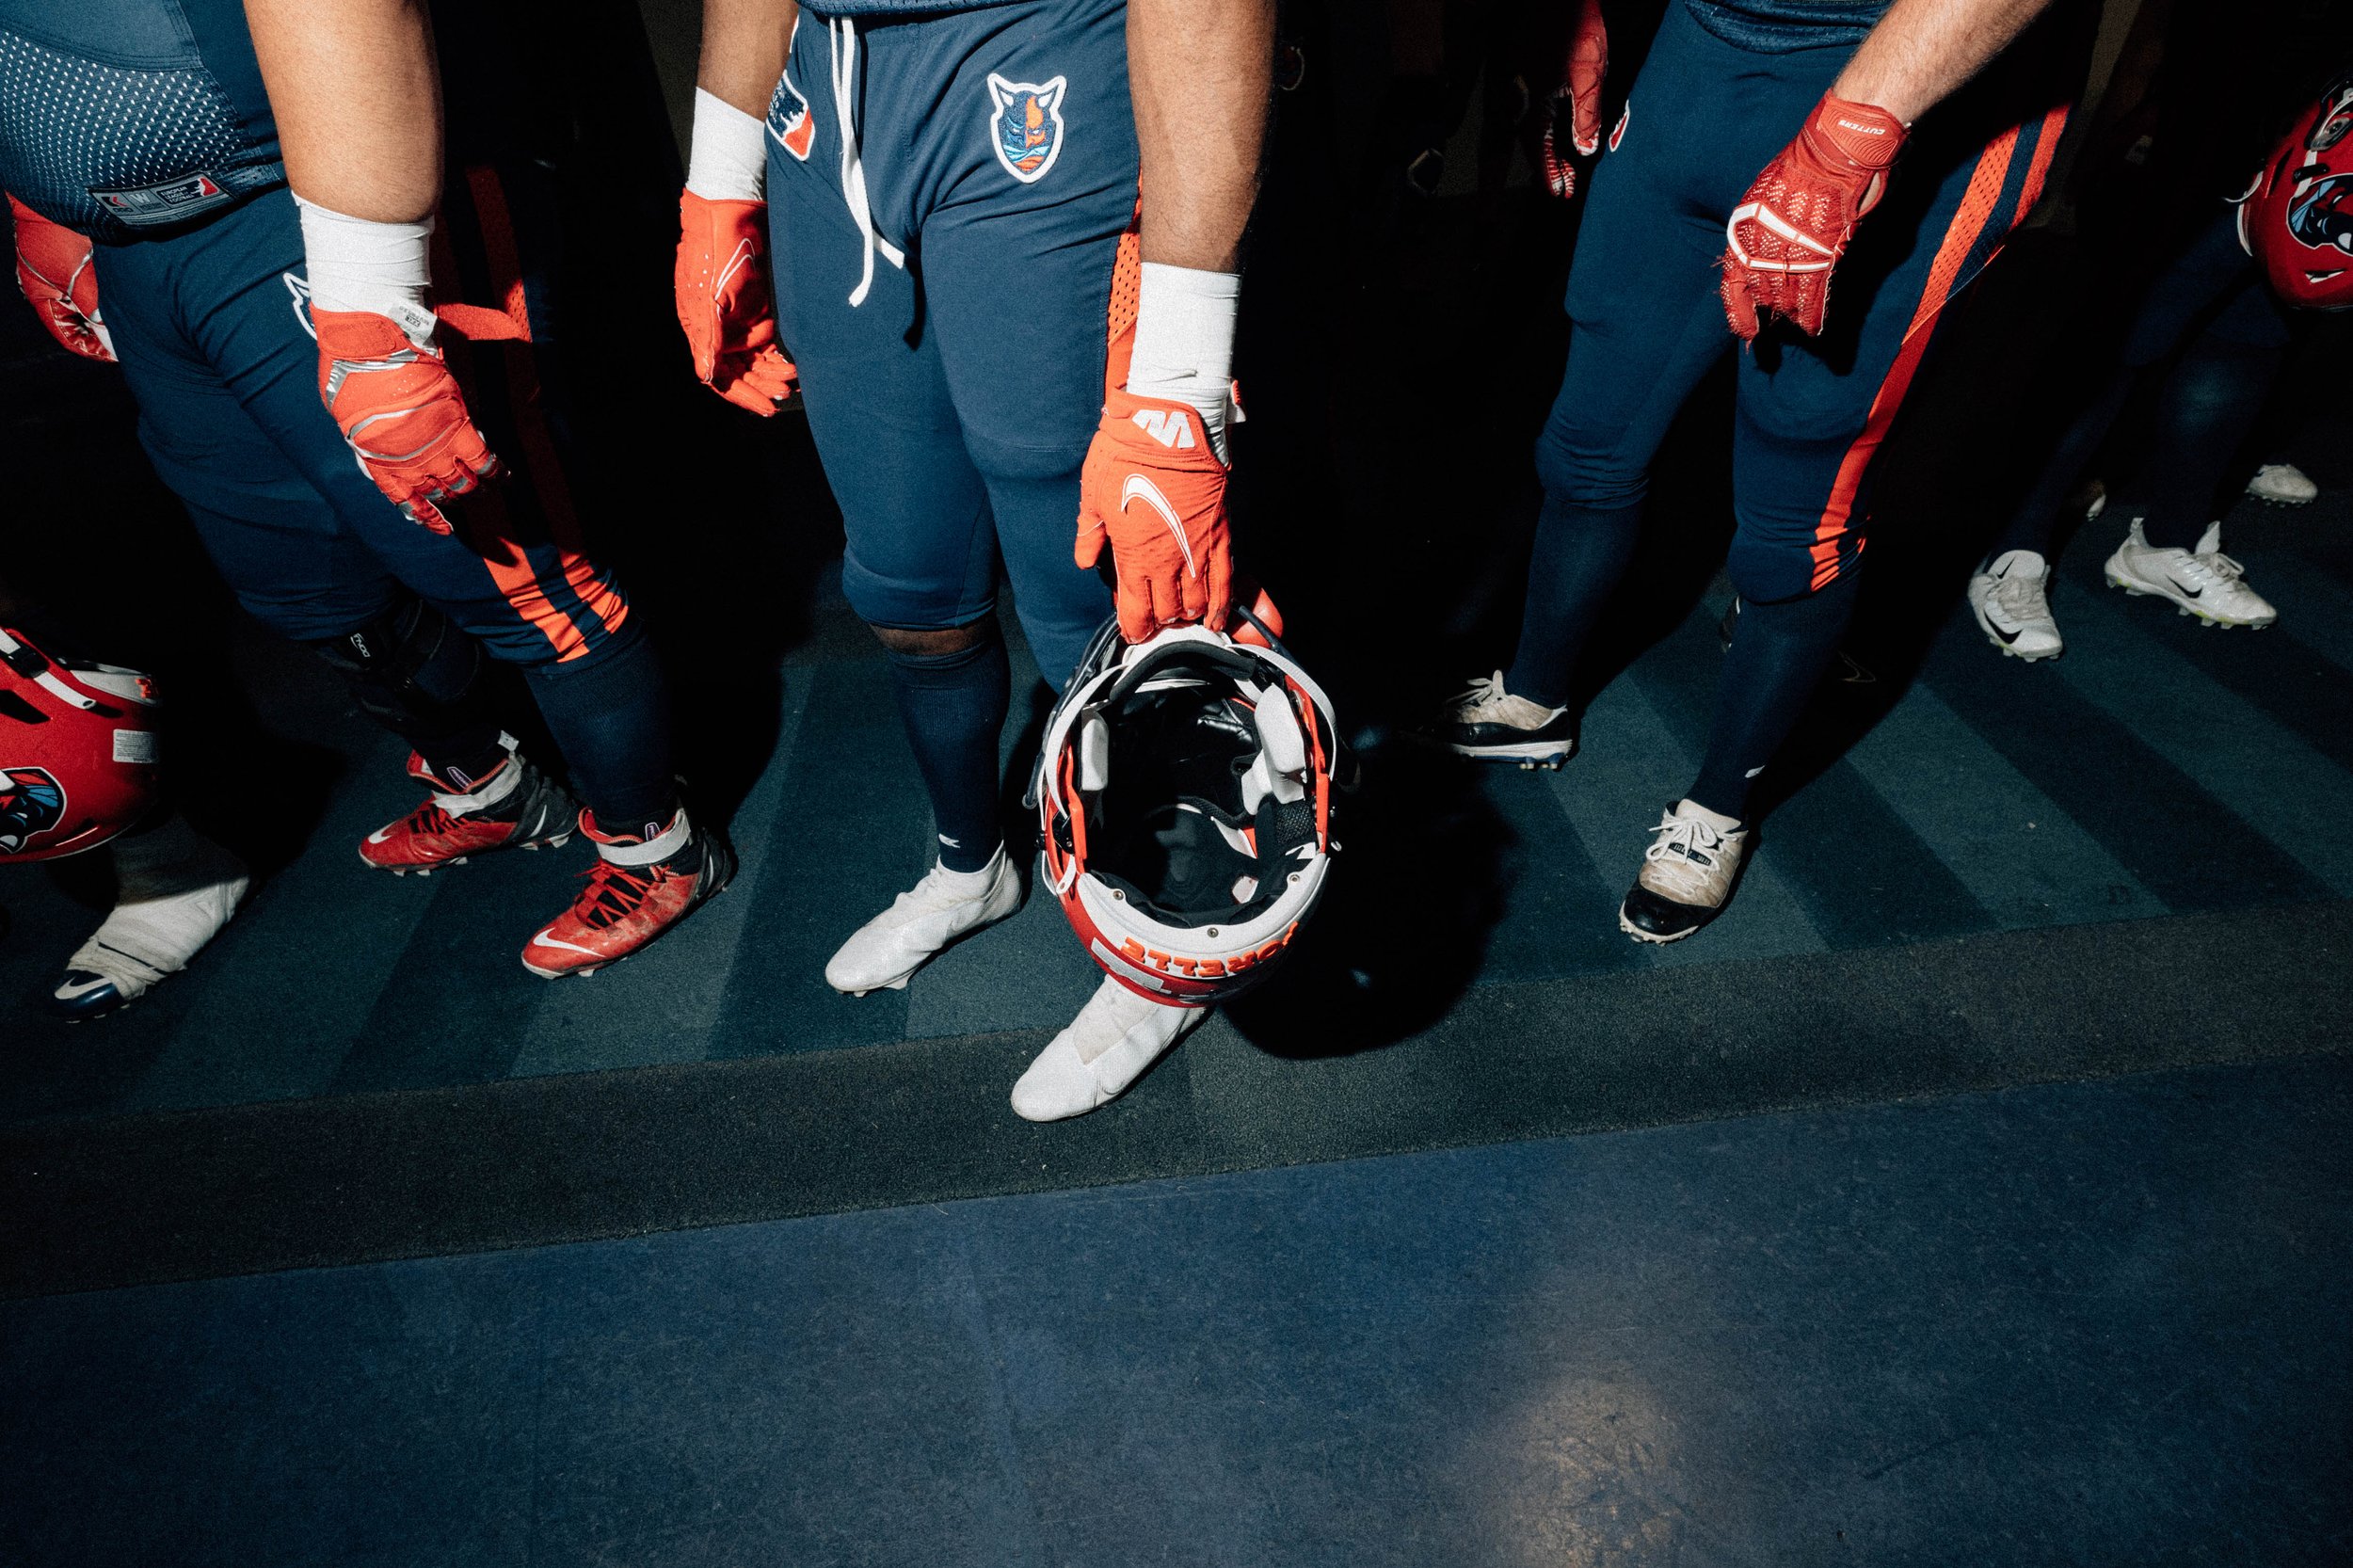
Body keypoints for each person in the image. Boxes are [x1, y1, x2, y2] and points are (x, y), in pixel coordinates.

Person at [5, 0, 728, 981]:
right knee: (297, 585)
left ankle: (658, 847)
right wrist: (40, 201)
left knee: (509, 570)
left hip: (314, 201)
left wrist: (378, 311)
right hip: (142, 247)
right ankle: (492, 788)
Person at [679, 0, 1276, 1118]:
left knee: (1098, 596)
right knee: (904, 583)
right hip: (828, 88)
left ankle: (1164, 934)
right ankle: (972, 864)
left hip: (1042, 56)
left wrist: (1186, 375)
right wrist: (719, 174)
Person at [1431, 0, 2075, 944]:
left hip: (1919, 95)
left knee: (1795, 498)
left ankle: (1718, 803)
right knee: (1587, 438)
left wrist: (1851, 136)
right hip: (1706, 48)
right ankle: (1533, 694)